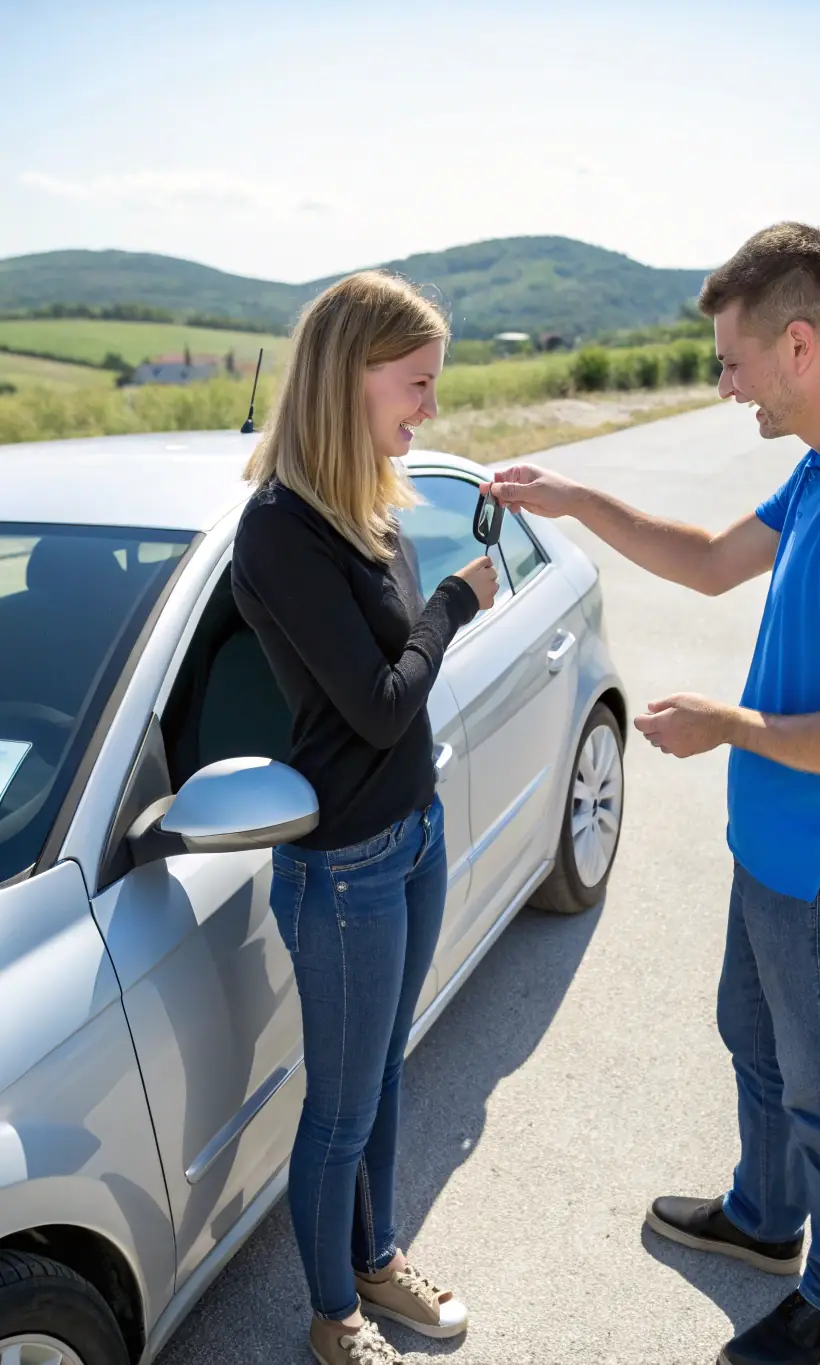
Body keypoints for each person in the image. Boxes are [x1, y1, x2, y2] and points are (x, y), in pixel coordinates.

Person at [484, 223, 820, 1365]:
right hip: (778, 844)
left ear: (797, 344)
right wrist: (576, 497)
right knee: (753, 1038)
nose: (725, 385)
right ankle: (765, 1221)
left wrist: (726, 726)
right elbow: (708, 558)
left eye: (731, 361)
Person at [233, 271, 498, 1365]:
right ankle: (333, 1315)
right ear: (352, 376)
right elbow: (386, 704)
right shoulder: (282, 533)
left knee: (384, 1074)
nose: (429, 409)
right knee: (338, 1111)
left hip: (414, 834)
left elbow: (398, 682)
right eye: (418, 384)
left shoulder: (373, 505)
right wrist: (455, 604)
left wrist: (428, 613)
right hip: (344, 866)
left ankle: (379, 1260)